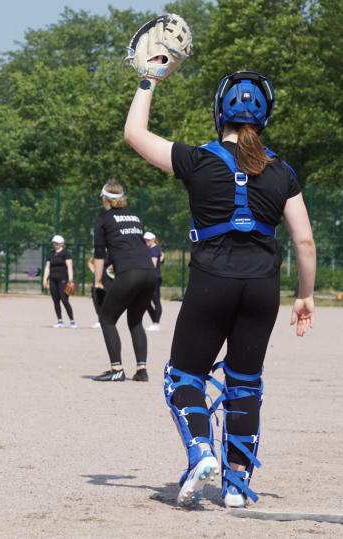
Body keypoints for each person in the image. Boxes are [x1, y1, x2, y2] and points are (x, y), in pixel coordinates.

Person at [125, 70, 315, 507]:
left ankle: (200, 451)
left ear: (219, 113)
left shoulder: (198, 159)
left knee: (183, 378)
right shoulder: (281, 171)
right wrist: (305, 295)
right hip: (262, 287)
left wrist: (150, 79)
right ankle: (236, 484)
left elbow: (134, 133)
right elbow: (304, 241)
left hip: (212, 281)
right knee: (245, 383)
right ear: (264, 116)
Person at [91, 180, 157, 382]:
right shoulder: (135, 217)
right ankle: (141, 370)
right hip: (149, 273)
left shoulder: (102, 219)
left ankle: (116, 369)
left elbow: (100, 253)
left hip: (130, 273)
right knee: (135, 320)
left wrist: (98, 281)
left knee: (107, 319)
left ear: (104, 199)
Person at [42, 235, 75, 328]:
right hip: (53, 280)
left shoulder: (66, 254)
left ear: (62, 244)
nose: (55, 244)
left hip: (63, 280)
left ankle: (72, 321)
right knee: (55, 301)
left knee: (64, 300)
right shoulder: (51, 254)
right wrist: (45, 279)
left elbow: (69, 267)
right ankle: (60, 321)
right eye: (54, 242)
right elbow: (47, 268)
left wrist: (70, 280)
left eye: (57, 242)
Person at [143, 231, 165, 331]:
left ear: (153, 239)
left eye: (148, 239)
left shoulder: (154, 249)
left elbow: (153, 265)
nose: (146, 241)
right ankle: (154, 322)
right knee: (146, 302)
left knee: (156, 301)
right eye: (145, 239)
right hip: (152, 278)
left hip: (154, 278)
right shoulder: (153, 249)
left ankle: (156, 324)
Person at [86, 254, 114, 329]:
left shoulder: (113, 250)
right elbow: (90, 262)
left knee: (107, 299)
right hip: (98, 278)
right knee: (96, 299)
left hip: (109, 278)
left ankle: (108, 320)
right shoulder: (98, 252)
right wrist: (95, 272)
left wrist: (112, 267)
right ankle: (100, 321)